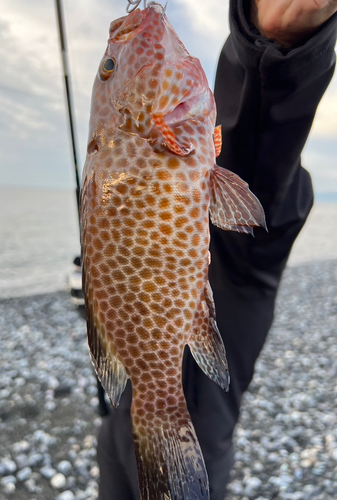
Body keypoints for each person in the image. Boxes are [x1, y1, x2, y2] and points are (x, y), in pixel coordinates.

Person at [96, 1, 337, 499]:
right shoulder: (123, 169)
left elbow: (258, 147)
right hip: (121, 432)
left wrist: (277, 48)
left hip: (198, 443)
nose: (117, 52)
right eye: (110, 66)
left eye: (109, 65)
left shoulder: (261, 216)